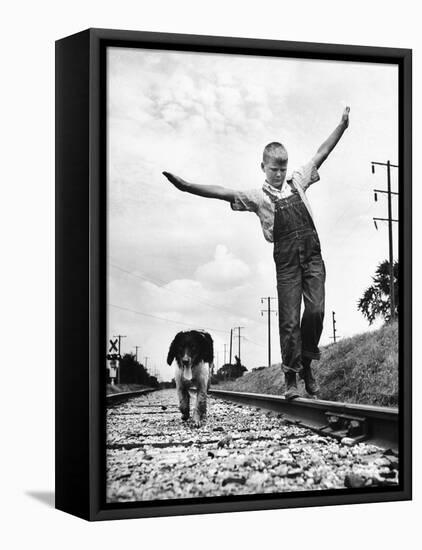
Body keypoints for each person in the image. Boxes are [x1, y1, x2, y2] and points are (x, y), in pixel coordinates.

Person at [163, 107, 350, 399]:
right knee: (289, 321)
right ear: (262, 166)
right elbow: (222, 191)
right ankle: (291, 377)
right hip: (286, 262)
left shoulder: (298, 181)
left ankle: (307, 365)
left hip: (313, 256)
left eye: (283, 168)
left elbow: (321, 153)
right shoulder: (257, 196)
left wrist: (342, 127)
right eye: (274, 168)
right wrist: (187, 187)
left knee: (316, 311)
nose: (279, 173)